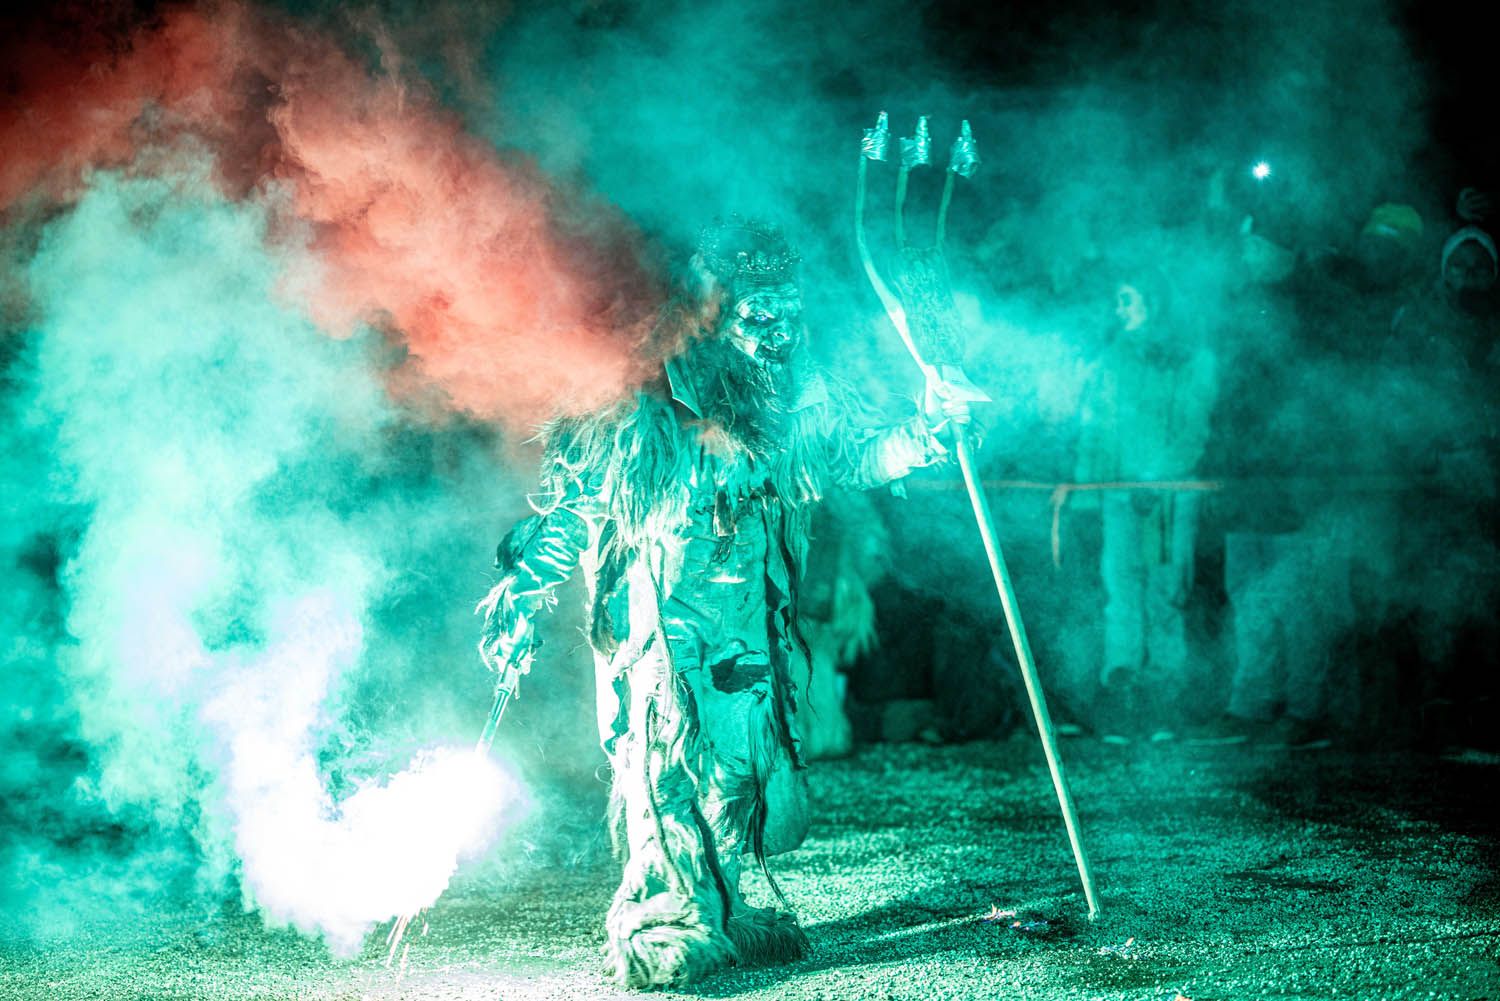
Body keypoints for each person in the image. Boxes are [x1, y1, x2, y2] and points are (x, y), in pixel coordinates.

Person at [475, 218, 969, 988]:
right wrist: (523, 589)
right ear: (712, 312)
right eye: (760, 314)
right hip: (662, 622)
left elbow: (850, 455)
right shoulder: (646, 394)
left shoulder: (793, 396)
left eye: (790, 312)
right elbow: (571, 503)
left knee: (738, 772)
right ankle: (667, 916)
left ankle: (723, 904)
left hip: (747, 623)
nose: (780, 332)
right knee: (663, 763)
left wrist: (932, 431)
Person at [1075, 268, 1218, 742]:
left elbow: (1193, 429)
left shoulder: (1191, 359)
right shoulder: (1111, 357)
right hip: (1118, 495)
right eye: (1117, 300)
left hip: (1169, 497)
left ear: (1155, 303)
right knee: (1121, 594)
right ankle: (1123, 694)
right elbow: (1095, 427)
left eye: (1128, 300)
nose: (1119, 310)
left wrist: (1156, 479)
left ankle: (1163, 701)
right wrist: (1086, 493)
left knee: (1165, 594)